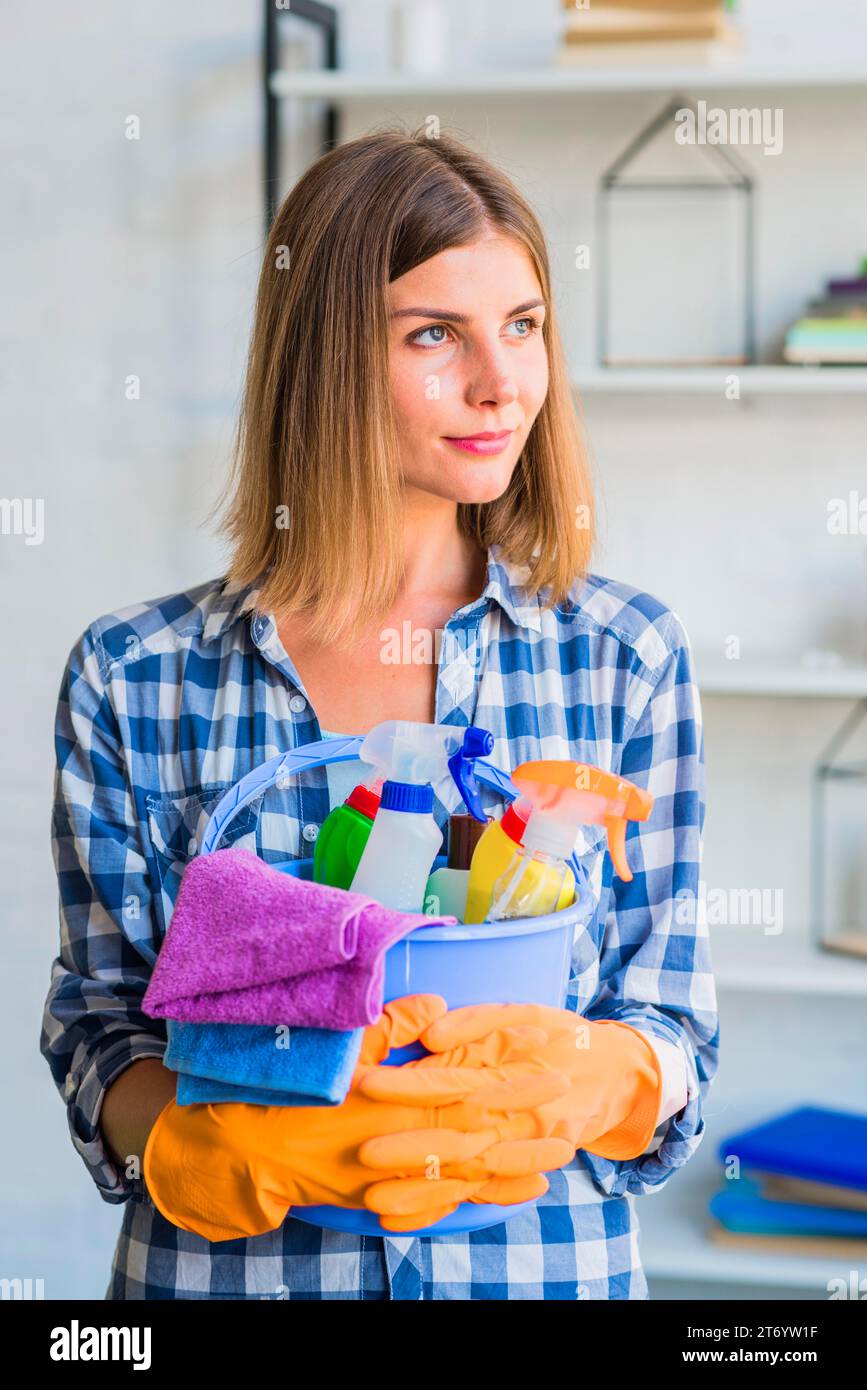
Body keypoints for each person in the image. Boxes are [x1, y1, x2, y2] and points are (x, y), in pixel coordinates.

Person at [41, 128, 719, 1300]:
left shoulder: (623, 656)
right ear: (327, 359)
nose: (500, 382)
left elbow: (673, 1026)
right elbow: (100, 1023)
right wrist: (201, 1145)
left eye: (522, 325)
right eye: (432, 335)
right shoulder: (135, 674)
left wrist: (593, 1079)